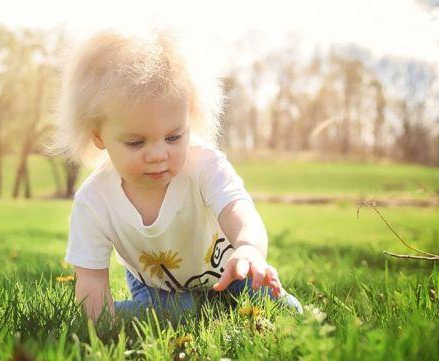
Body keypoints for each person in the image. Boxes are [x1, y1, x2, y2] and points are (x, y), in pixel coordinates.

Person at [54, 29, 302, 320]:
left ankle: (217, 301)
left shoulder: (204, 165)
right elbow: (92, 280)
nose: (159, 154)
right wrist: (97, 324)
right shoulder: (94, 201)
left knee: (288, 311)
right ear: (99, 137)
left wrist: (249, 249)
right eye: (136, 142)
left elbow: (239, 209)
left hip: (232, 272)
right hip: (158, 286)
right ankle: (158, 311)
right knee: (180, 312)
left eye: (173, 137)